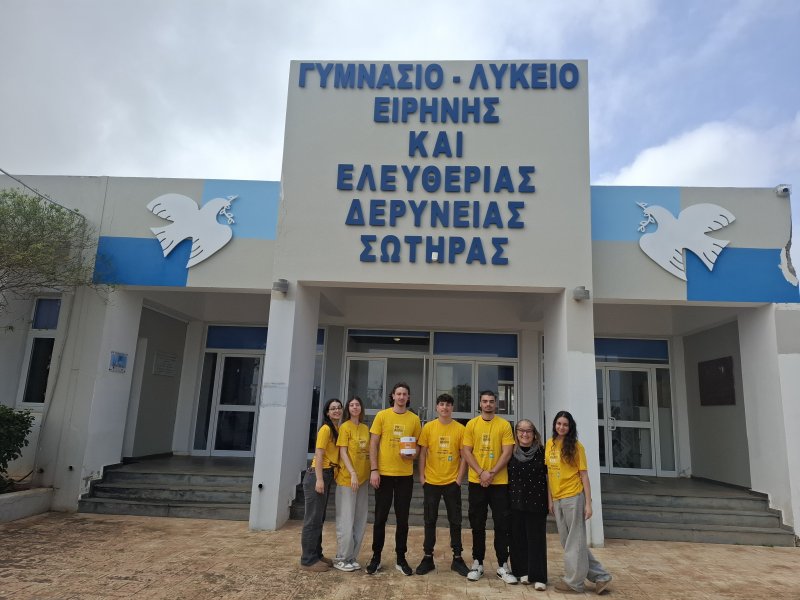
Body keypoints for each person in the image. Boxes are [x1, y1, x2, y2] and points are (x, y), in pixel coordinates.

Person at [546, 410, 612, 594]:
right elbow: (549, 474)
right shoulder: (550, 444)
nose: (561, 427)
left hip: (573, 496)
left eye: (565, 425)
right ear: (554, 425)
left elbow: (584, 475)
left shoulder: (576, 447)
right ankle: (601, 576)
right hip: (557, 498)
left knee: (574, 540)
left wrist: (588, 504)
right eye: (559, 423)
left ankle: (574, 582)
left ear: (570, 427)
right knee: (570, 541)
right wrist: (550, 500)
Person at [366, 382, 422, 576]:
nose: (401, 397)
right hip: (384, 474)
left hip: (405, 476)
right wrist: (374, 470)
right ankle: (376, 557)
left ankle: (401, 558)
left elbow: (418, 445)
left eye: (404, 394)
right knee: (380, 518)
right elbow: (373, 443)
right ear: (393, 396)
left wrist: (413, 455)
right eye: (398, 394)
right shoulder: (382, 416)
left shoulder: (414, 419)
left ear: (408, 397)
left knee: (403, 519)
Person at [461, 390, 517, 584]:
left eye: (491, 401)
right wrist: (481, 472)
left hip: (499, 483)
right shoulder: (471, 424)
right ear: (480, 404)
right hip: (477, 482)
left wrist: (491, 473)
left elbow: (507, 452)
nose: (488, 404)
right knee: (478, 523)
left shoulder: (504, 425)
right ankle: (477, 563)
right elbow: (466, 451)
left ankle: (503, 565)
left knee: (502, 524)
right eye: (484, 401)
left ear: (496, 404)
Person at [414, 393, 470, 577]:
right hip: (431, 481)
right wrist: (421, 476)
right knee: (429, 520)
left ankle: (457, 558)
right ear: (437, 407)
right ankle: (427, 557)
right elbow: (423, 453)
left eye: (448, 405)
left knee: (455, 520)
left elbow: (464, 456)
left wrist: (459, 478)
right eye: (442, 404)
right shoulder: (428, 428)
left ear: (452, 408)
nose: (445, 407)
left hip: (452, 482)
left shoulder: (460, 429)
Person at [300, 398, 343, 571]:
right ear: (327, 412)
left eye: (339, 408)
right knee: (312, 519)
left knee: (319, 518)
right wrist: (319, 479)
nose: (336, 410)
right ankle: (308, 560)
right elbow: (319, 454)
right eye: (333, 408)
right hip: (317, 475)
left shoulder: (336, 428)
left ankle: (317, 554)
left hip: (327, 474)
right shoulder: (325, 429)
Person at [508, 419, 548, 591]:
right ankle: (521, 571)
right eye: (521, 430)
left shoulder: (542, 451)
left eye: (528, 430)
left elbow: (548, 477)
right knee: (517, 538)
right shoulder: (510, 451)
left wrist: (551, 500)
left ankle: (539, 576)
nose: (525, 434)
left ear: (534, 433)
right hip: (515, 501)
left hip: (537, 502)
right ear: (516, 433)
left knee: (536, 540)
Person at [333, 396, 370, 572]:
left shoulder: (365, 428)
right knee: (346, 520)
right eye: (352, 405)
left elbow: (368, 451)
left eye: (357, 404)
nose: (355, 407)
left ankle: (352, 556)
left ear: (361, 408)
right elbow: (343, 452)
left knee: (360, 520)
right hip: (348, 480)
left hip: (363, 480)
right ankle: (342, 557)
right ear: (348, 409)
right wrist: (353, 473)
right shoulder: (345, 427)